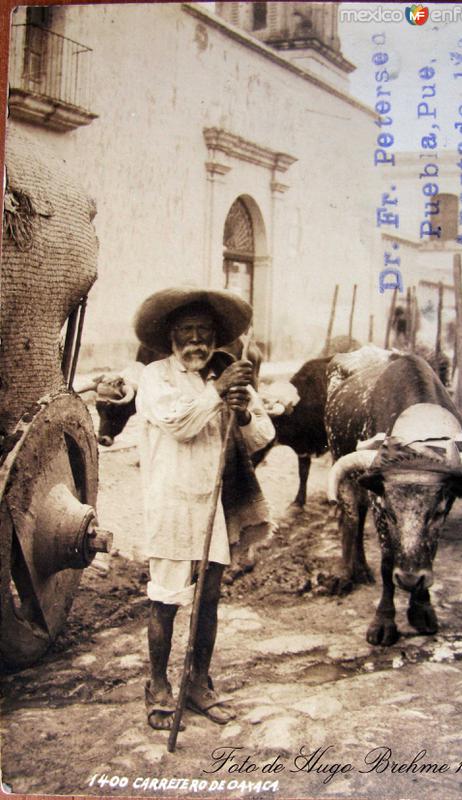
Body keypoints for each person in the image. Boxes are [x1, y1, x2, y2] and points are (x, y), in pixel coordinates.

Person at [134, 287, 275, 730]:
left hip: (214, 504)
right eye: (187, 332)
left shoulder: (222, 375)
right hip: (171, 501)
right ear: (171, 337)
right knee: (167, 598)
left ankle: (198, 683)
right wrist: (218, 392)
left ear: (215, 337)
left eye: (204, 333)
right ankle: (157, 685)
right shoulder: (155, 377)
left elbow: (261, 437)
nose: (196, 342)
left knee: (208, 599)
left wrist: (244, 411)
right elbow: (179, 424)